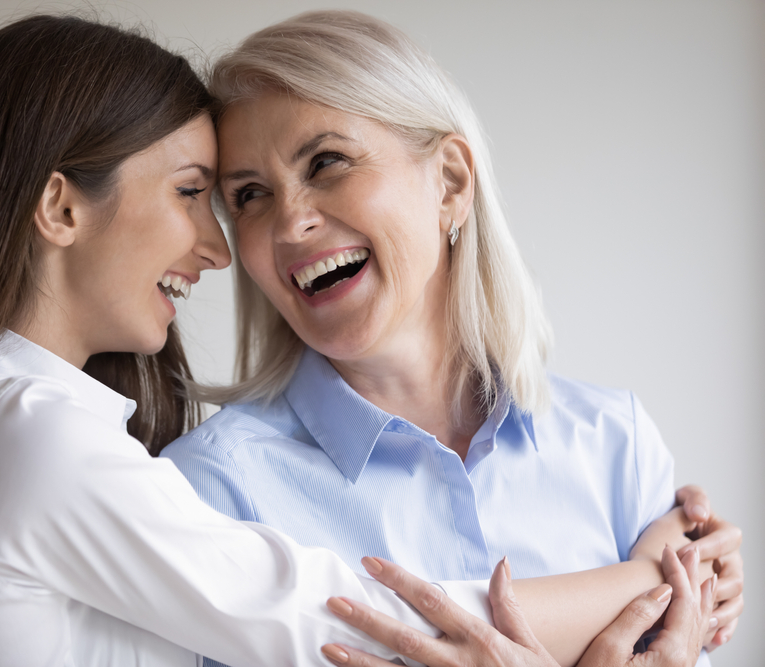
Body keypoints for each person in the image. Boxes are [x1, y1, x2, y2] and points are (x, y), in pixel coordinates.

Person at [0, 15, 502, 667]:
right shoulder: (26, 437)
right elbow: (359, 624)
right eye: (193, 192)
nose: (218, 250)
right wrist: (621, 585)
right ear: (61, 207)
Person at [161, 10, 743, 667]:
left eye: (326, 162)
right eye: (249, 195)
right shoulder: (208, 491)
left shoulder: (618, 446)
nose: (291, 221)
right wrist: (649, 581)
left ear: (451, 183)